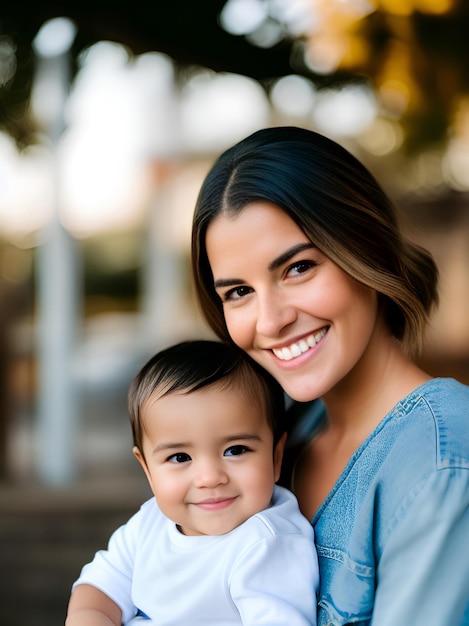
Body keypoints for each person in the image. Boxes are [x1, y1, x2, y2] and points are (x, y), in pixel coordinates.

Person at [191, 126, 469, 625]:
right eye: (238, 292)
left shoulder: (441, 460)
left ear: (367, 247)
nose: (270, 321)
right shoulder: (283, 429)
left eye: (297, 268)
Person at [66, 339, 319, 625]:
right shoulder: (149, 524)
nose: (209, 478)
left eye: (235, 450)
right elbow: (99, 590)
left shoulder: (267, 545)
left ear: (276, 457)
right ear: (147, 469)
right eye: (180, 457)